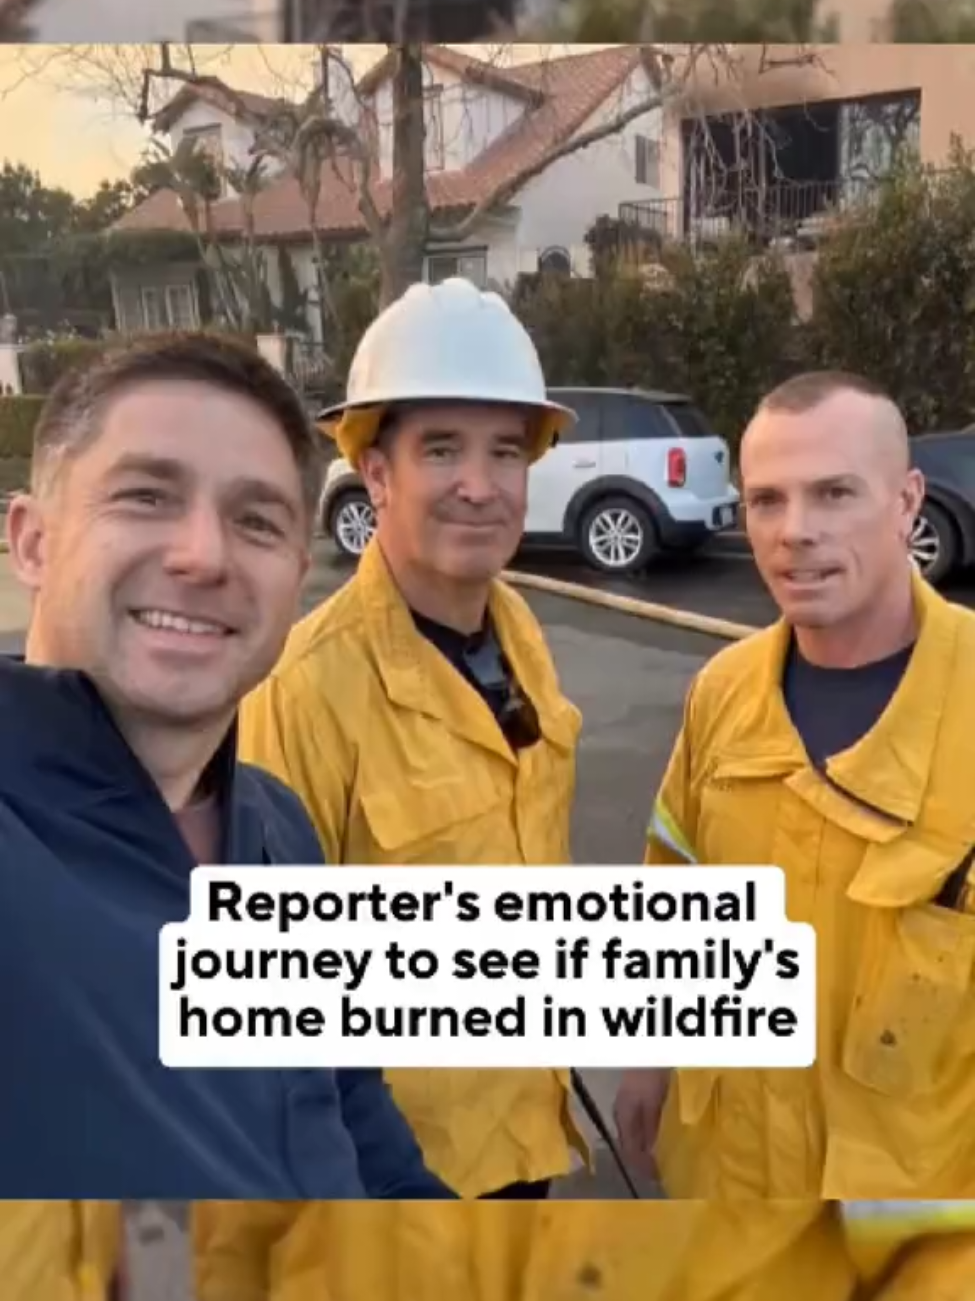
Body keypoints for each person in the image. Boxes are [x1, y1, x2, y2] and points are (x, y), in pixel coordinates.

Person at [0, 334, 455, 1294]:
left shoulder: (279, 833)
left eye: (255, 521)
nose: (203, 554)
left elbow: (354, 1120)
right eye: (146, 496)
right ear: (31, 540)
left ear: (298, 571)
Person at [238, 276, 588, 1201]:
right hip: (400, 1179)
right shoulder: (304, 689)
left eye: (505, 452)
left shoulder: (519, 637)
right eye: (442, 448)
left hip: (524, 1137)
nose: (479, 485)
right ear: (377, 471)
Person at [616, 370, 975, 1201]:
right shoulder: (723, 691)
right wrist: (644, 1055)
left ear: (906, 500)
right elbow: (671, 883)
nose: (793, 532)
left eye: (834, 493)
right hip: (728, 1193)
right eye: (766, 500)